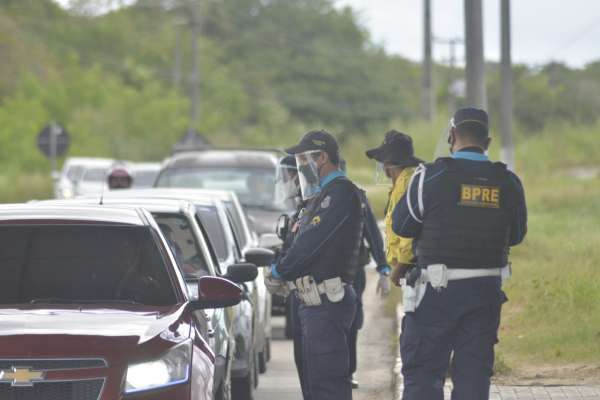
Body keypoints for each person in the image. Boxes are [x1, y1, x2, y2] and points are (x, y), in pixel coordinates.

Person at [392, 108, 527, 400]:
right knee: (473, 377)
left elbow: (402, 224)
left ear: (452, 136)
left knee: (424, 375)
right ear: (487, 142)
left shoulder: (428, 176)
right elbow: (516, 235)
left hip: (435, 293)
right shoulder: (509, 182)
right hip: (485, 292)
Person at [269, 130, 363, 400]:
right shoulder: (318, 198)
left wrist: (279, 271)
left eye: (304, 158)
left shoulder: (341, 193)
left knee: (327, 386)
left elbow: (310, 242)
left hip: (327, 302)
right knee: (313, 385)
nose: (302, 167)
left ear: (323, 157)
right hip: (312, 302)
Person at [340, 158, 390, 390]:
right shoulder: (313, 197)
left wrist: (383, 266)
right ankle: (336, 371)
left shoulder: (356, 197)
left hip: (352, 272)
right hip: (322, 274)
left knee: (352, 322)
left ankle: (347, 371)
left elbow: (371, 231)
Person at [365, 130, 423, 285]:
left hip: (412, 270)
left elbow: (408, 234)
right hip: (411, 269)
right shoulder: (407, 180)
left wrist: (399, 270)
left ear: (389, 164)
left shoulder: (405, 186)